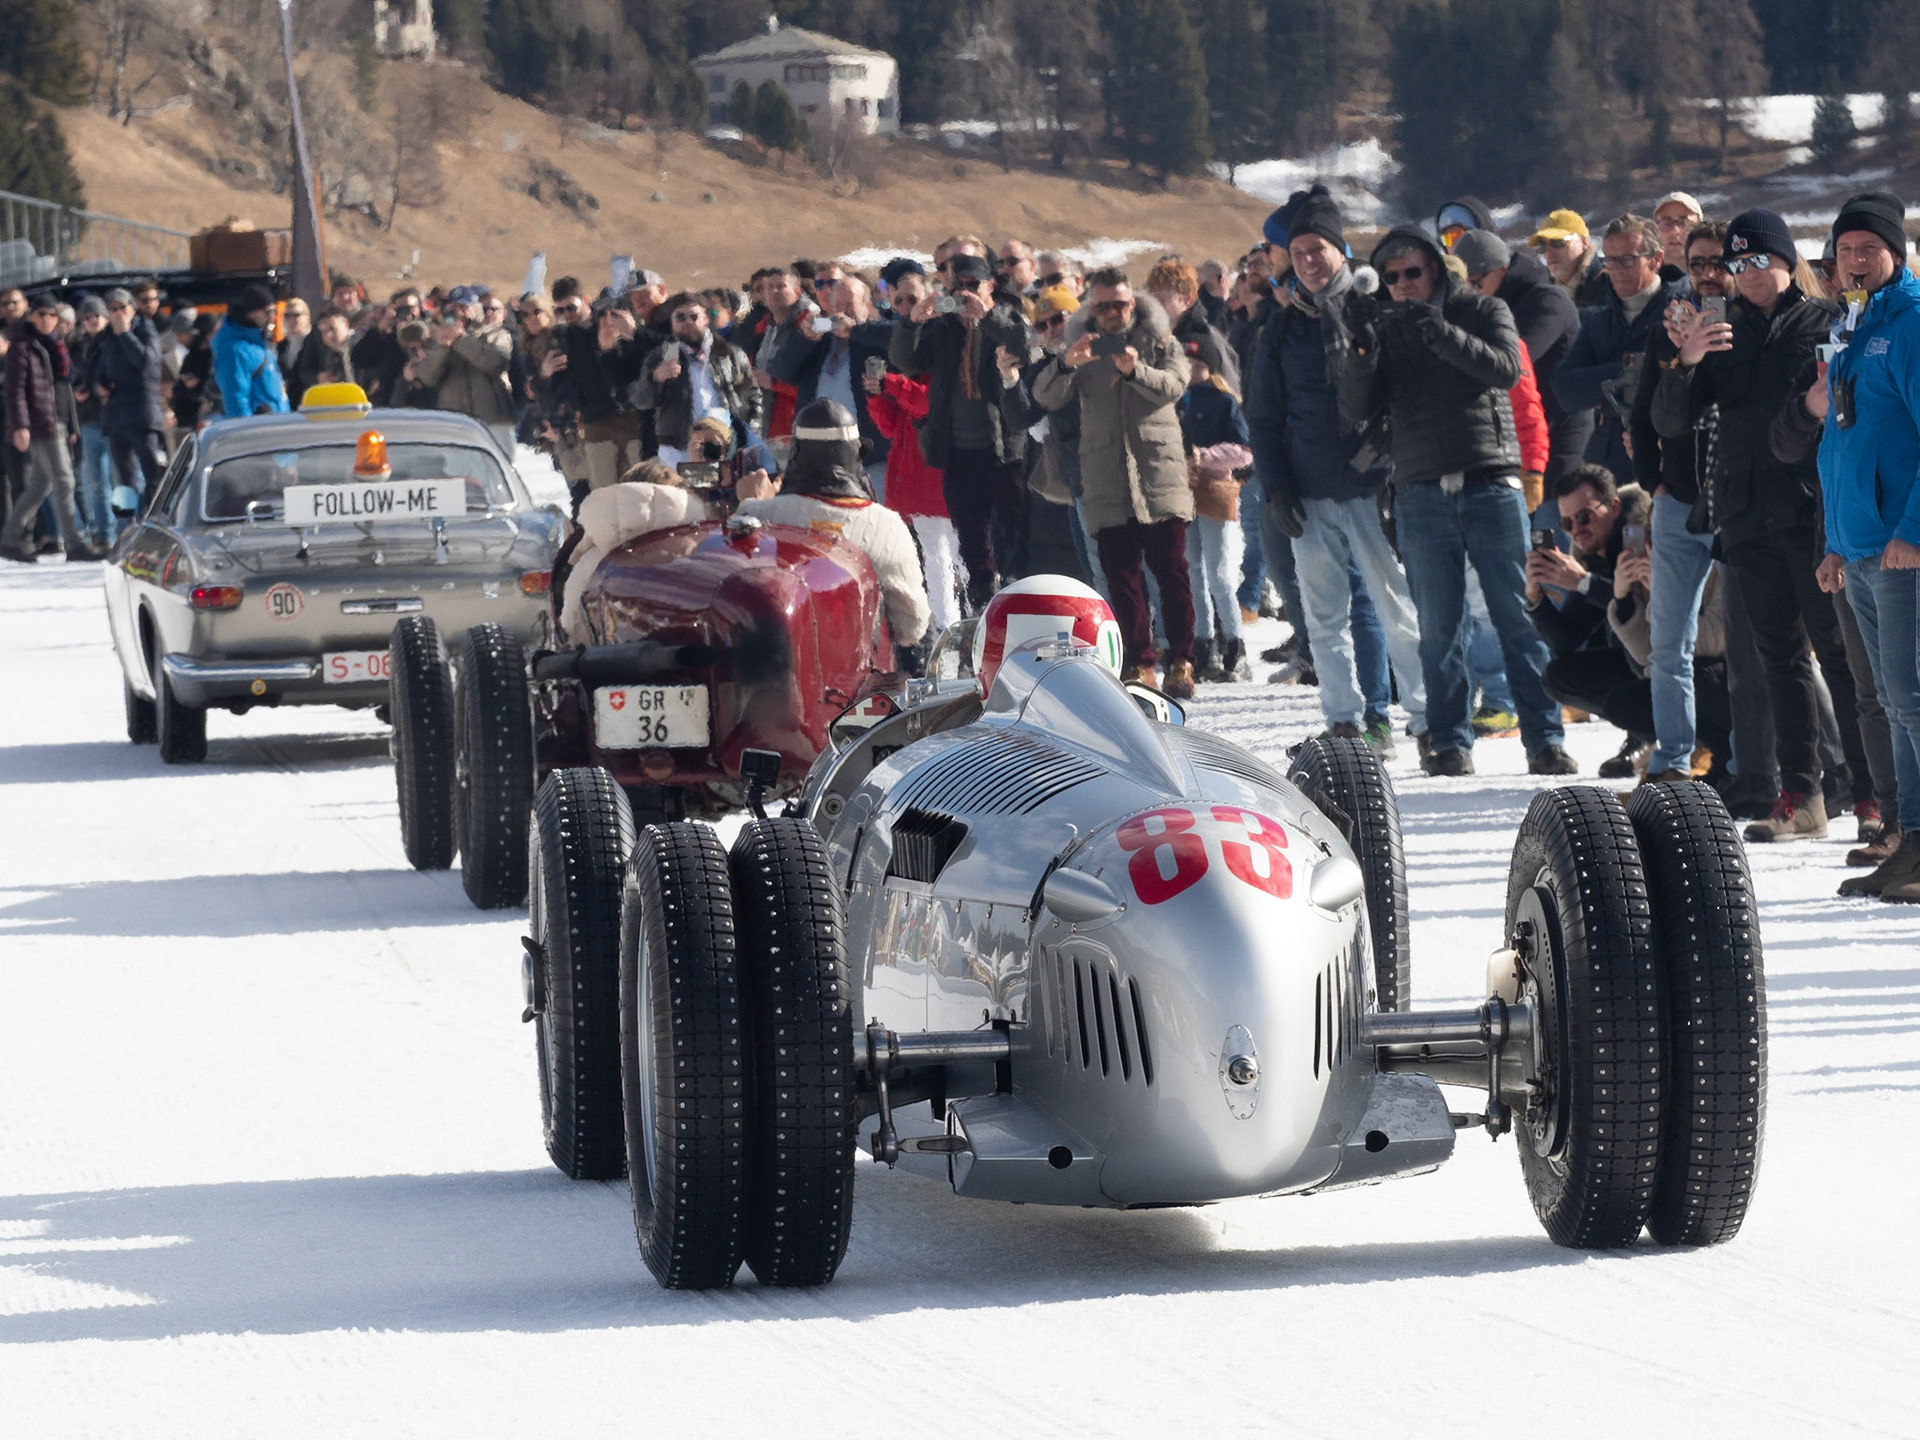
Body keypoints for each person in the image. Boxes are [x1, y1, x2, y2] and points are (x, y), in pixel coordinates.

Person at [1653, 206, 1868, 843]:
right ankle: (1800, 795)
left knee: (1840, 655)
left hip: (1814, 513)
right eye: (1735, 263)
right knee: (1778, 661)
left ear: (1785, 261)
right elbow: (1669, 422)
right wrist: (1685, 360)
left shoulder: (1824, 320)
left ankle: (1871, 794)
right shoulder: (1717, 331)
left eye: (1758, 261)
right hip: (1745, 516)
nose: (1746, 274)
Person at [1334, 225, 1575, 775]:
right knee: (1439, 626)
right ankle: (1447, 741)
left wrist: (1439, 331)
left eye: (1413, 272)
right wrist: (1362, 348)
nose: (1401, 285)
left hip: (1490, 480)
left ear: (1437, 270)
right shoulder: (1385, 327)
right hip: (1420, 489)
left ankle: (1544, 738)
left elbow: (1505, 368)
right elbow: (1356, 406)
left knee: (1518, 616)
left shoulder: (1482, 309)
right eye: (1391, 277)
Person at [1249, 189, 1429, 753]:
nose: (1307, 260)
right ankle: (1344, 719)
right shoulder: (1279, 331)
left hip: (1375, 486)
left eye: (1318, 248)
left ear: (1340, 251)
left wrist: (1403, 470)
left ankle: (1424, 718)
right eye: (1297, 251)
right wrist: (1276, 485)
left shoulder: (1374, 309)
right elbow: (1264, 418)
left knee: (1395, 607)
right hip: (1310, 490)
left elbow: (1406, 395)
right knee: (1324, 616)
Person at [1807, 192, 1920, 897]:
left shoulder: (1909, 325)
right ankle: (1910, 841)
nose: (1854, 258)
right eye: (1844, 248)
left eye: (1867, 248)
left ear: (1896, 253)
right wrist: (1834, 543)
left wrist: (1912, 529)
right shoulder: (1852, 325)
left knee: (1910, 698)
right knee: (1890, 696)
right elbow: (1838, 445)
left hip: (1901, 545)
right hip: (1861, 547)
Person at [1031, 267, 1197, 698]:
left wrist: (1135, 370)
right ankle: (1137, 664)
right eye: (1101, 306)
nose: (1110, 314)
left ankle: (1182, 659)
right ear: (1090, 307)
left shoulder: (1160, 341)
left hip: (1158, 472)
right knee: (1120, 577)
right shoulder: (1079, 346)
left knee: (1171, 571)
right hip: (1105, 475)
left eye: (1118, 305)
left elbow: (1175, 385)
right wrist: (1067, 363)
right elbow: (1045, 397)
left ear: (1133, 304)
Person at [1633, 221, 1729, 784]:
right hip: (1678, 501)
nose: (1708, 274)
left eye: (1718, 262)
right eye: (1697, 264)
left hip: (1739, 505)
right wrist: (1654, 479)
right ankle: (1671, 761)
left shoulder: (1752, 326)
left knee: (1762, 644)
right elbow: (1644, 409)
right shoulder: (1669, 327)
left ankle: (1762, 765)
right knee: (1669, 644)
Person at [889, 252, 1033, 608]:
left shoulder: (1008, 317)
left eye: (973, 286)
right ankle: (984, 605)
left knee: (1010, 534)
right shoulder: (944, 327)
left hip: (1002, 448)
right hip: (957, 448)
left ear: (990, 286)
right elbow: (907, 360)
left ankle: (1017, 599)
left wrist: (986, 317)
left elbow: (1023, 345)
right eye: (958, 287)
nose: (965, 294)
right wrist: (913, 322)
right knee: (971, 538)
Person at [736, 398, 932, 656]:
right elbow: (912, 627)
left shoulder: (757, 514)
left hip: (775, 666)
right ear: (853, 456)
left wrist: (753, 504)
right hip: (861, 675)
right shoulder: (890, 526)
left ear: (795, 454)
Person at [1553, 214, 1688, 485]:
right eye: (1610, 261)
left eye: (1628, 260)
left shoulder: (1682, 311)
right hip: (1607, 463)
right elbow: (1565, 389)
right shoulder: (1598, 322)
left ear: (1656, 259)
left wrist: (1609, 382)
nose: (1617, 270)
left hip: (1668, 457)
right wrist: (1629, 371)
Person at [1451, 227, 1588, 488]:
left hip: (1559, 435)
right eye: (1464, 285)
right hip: (1513, 440)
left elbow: (1508, 362)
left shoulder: (1547, 301)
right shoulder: (1483, 308)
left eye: (1477, 282)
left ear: (1501, 271)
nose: (1472, 291)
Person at [1525, 464, 1652, 739]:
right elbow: (1566, 641)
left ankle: (1653, 735)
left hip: (1673, 657)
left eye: (1584, 516)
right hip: (1637, 665)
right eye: (1567, 523)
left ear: (1614, 507)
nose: (1577, 530)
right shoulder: (1589, 554)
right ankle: (1644, 731)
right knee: (1557, 676)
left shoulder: (1642, 536)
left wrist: (1584, 583)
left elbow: (1646, 614)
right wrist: (1536, 599)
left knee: (1632, 649)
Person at [867, 365, 966, 634]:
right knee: (937, 558)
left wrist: (890, 383)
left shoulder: (947, 369)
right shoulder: (913, 376)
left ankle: (960, 626)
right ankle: (948, 629)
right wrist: (875, 396)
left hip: (940, 481)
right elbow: (890, 427)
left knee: (954, 559)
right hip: (917, 481)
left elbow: (926, 404)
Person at [0, 295, 98, 563]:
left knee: (40, 485)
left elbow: (63, 389)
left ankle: (9, 539)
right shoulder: (22, 346)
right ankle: (75, 544)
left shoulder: (55, 345)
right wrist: (20, 425)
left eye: (51, 315)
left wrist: (71, 426)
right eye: (41, 314)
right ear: (31, 316)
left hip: (59, 420)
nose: (46, 319)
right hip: (40, 422)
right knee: (64, 480)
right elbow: (15, 391)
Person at [620, 290, 762, 469]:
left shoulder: (730, 354)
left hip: (727, 446)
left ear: (705, 319)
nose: (687, 322)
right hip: (679, 449)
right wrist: (655, 378)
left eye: (693, 316)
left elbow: (753, 396)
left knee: (727, 495)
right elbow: (640, 401)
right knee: (684, 497)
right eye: (680, 317)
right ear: (672, 323)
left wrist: (749, 435)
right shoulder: (660, 357)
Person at [1179, 349, 1253, 681]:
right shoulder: (1176, 400)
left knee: (1220, 573)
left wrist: (1203, 456)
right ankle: (1203, 643)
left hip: (1214, 491)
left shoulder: (1224, 402)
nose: (1193, 371)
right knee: (1192, 570)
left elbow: (1242, 451)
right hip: (1181, 490)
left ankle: (1234, 646)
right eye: (1188, 365)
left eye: (1200, 365)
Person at [412, 284, 515, 453]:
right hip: (456, 423)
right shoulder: (439, 339)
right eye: (453, 308)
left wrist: (461, 340)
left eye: (464, 307)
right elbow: (426, 376)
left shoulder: (495, 335)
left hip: (493, 421)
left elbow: (495, 363)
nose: (458, 313)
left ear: (476, 309)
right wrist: (442, 348)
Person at [95, 286, 171, 498]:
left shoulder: (146, 330)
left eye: (122, 307)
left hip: (142, 416)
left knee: (153, 475)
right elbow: (100, 371)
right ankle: (127, 525)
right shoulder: (107, 338)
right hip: (116, 418)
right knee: (124, 481)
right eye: (112, 309)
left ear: (133, 308)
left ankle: (154, 519)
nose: (118, 313)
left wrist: (125, 334)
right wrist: (99, 386)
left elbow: (146, 362)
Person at [1147, 257, 1240, 397]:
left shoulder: (1204, 338)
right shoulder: (1155, 336)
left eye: (1164, 297)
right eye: (1154, 297)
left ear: (1187, 299)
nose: (1157, 303)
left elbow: (1229, 387)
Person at [67, 295, 115, 545]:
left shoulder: (114, 341)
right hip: (88, 420)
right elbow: (72, 375)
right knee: (95, 483)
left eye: (95, 315)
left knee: (122, 482)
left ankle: (124, 532)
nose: (91, 321)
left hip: (114, 419)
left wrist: (97, 388)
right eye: (86, 317)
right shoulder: (80, 346)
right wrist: (78, 390)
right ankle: (104, 534)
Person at [210, 284, 291, 420]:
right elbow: (236, 398)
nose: (272, 318)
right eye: (268, 312)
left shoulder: (260, 345)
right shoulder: (235, 350)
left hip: (277, 425)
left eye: (274, 312)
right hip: (259, 431)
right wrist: (246, 433)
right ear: (250, 314)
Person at [1528, 208, 1609, 307]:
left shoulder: (1609, 284)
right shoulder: (1540, 292)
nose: (1548, 253)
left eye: (1558, 242)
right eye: (1542, 246)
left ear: (1584, 242)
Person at [291, 307, 356, 407]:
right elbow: (304, 372)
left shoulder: (361, 346)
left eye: (332, 329)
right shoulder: (321, 351)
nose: (329, 335)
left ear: (346, 325)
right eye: (324, 332)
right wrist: (318, 377)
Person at [167, 314, 218, 432]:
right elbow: (183, 388)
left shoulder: (213, 355)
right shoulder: (195, 356)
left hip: (207, 415)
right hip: (193, 418)